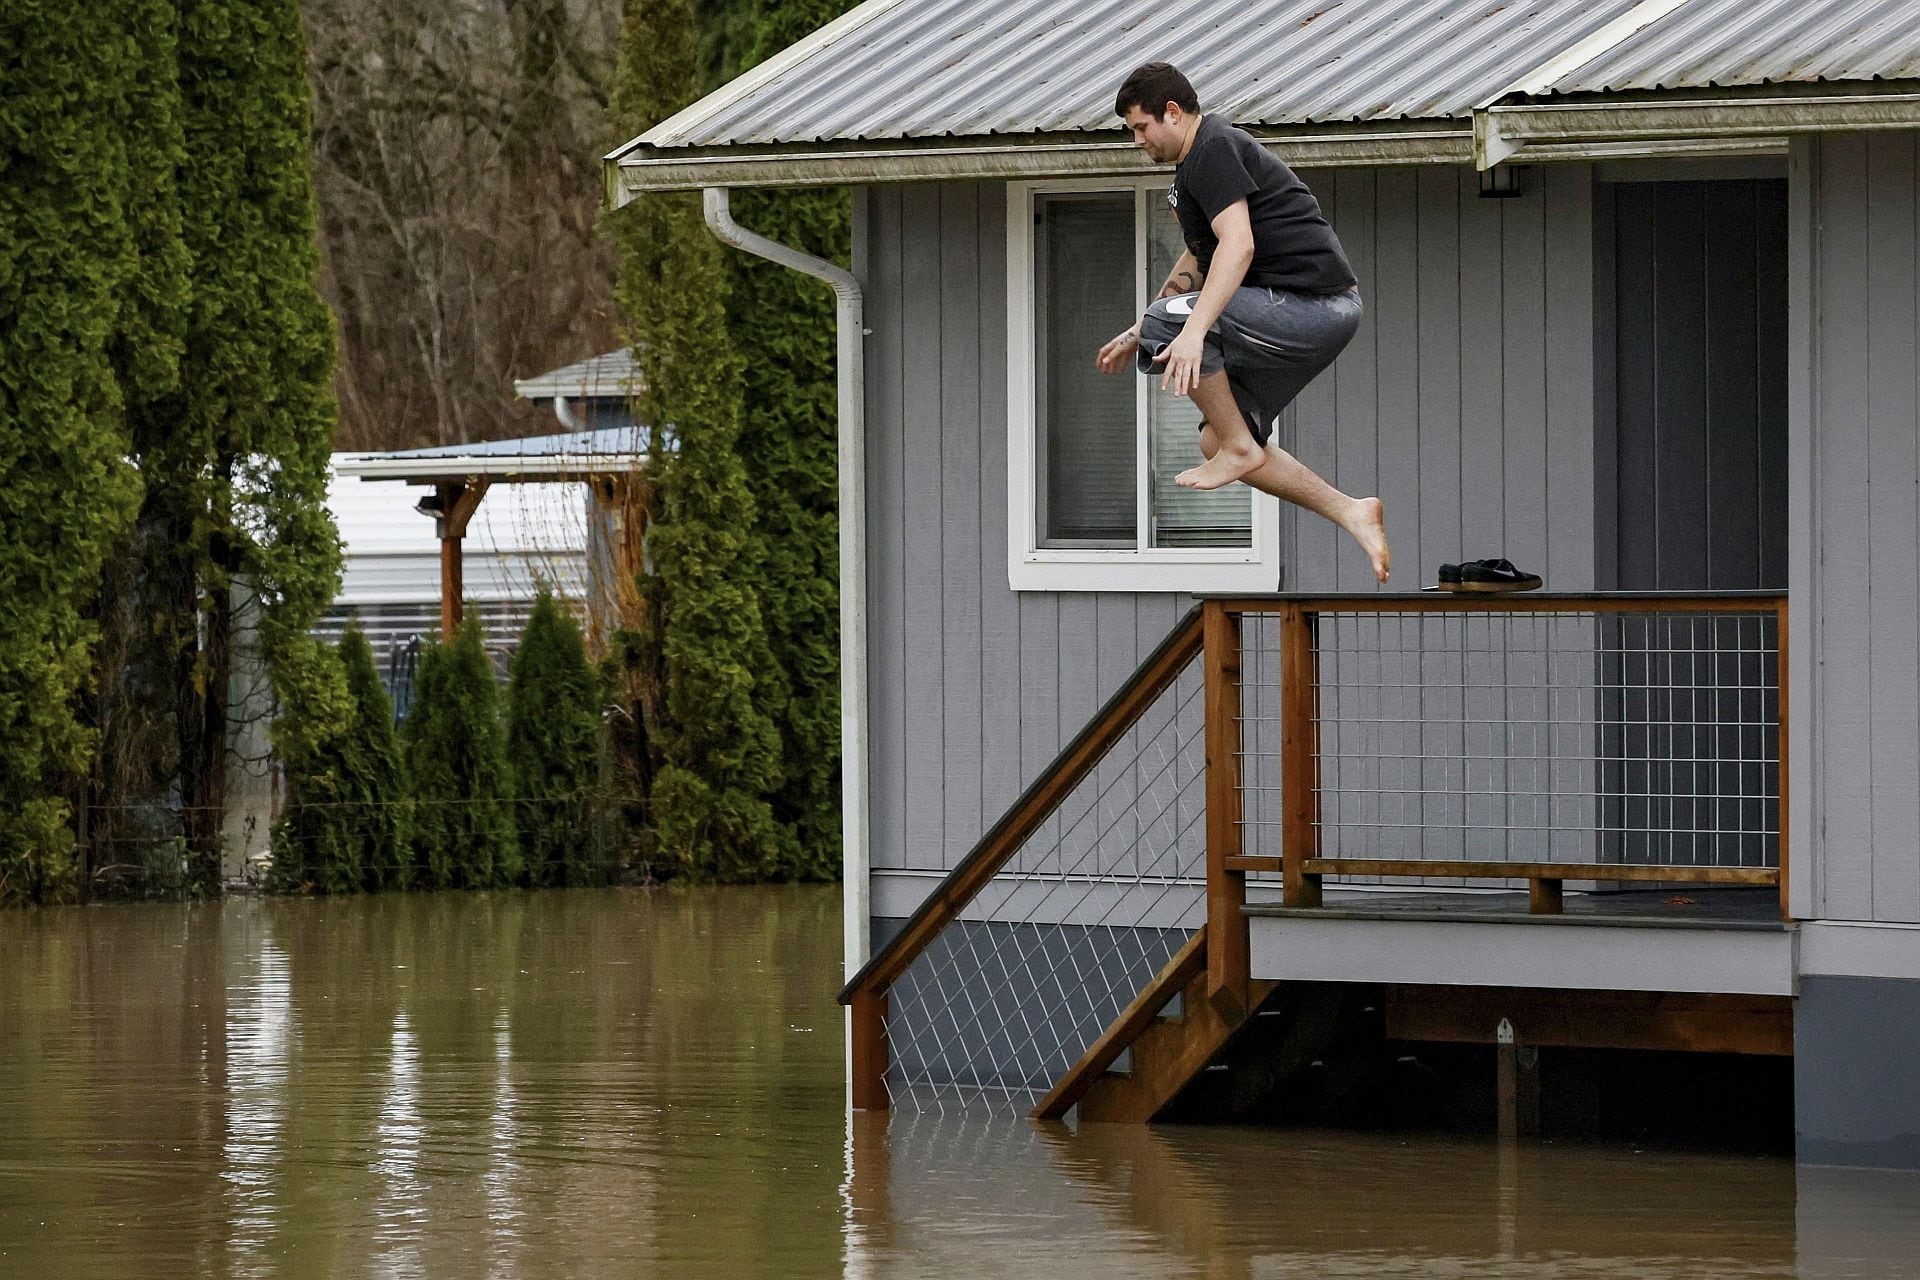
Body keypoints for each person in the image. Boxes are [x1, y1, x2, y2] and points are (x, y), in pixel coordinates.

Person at [1095, 62, 1390, 583]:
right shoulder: (1192, 170)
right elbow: (1199, 258)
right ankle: (1349, 509)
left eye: (1141, 128)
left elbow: (1240, 243)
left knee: (1189, 355)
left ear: (1172, 112)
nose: (1137, 140)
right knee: (1216, 438)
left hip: (1311, 306)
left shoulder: (1214, 146)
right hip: (1298, 314)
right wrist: (1141, 328)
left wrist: (1187, 330)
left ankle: (1237, 446)